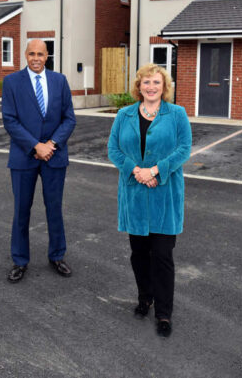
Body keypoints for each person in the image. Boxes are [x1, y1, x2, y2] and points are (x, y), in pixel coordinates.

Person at [107, 63, 192, 338]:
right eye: (146, 82)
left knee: (163, 256)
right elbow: (113, 149)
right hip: (134, 193)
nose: (151, 87)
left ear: (164, 86)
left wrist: (155, 171)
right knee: (139, 254)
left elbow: (184, 149)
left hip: (165, 194)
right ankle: (145, 297)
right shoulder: (124, 115)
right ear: (139, 86)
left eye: (156, 82)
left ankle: (164, 312)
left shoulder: (177, 114)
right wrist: (137, 171)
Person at [1, 39, 76, 283]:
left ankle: (57, 255)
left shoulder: (60, 81)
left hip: (54, 156)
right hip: (24, 157)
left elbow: (69, 119)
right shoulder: (12, 82)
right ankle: (19, 260)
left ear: (47, 56)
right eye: (31, 53)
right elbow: (10, 120)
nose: (35, 58)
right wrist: (36, 146)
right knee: (22, 210)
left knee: (54, 209)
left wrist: (51, 145)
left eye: (40, 54)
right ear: (25, 54)